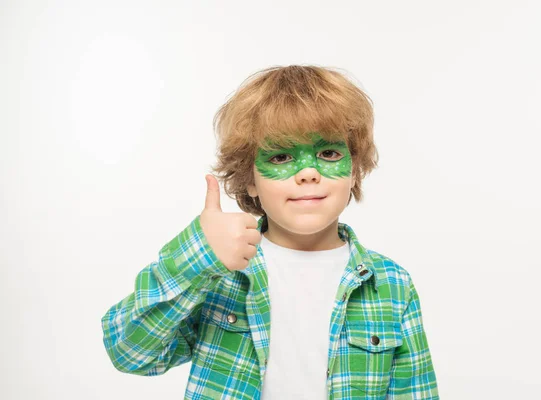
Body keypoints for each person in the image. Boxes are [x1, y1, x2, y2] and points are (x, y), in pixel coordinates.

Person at [101, 65, 439, 399]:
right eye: (280, 157)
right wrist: (198, 257)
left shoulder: (392, 286)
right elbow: (130, 353)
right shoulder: (218, 274)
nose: (308, 172)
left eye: (329, 153)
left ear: (354, 169)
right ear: (250, 179)